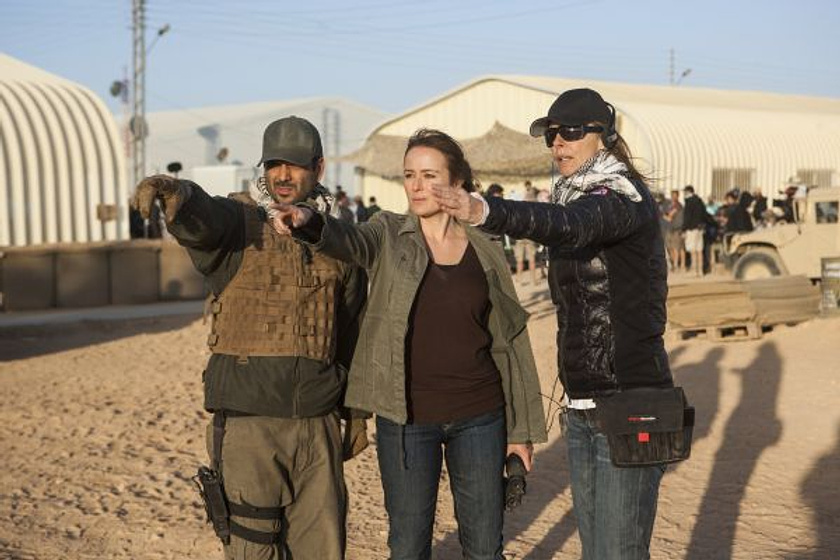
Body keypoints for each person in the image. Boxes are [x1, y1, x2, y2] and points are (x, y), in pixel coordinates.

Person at [271, 128, 547, 560]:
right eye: (409, 174)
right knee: (408, 546)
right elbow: (350, 239)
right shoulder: (387, 232)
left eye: (429, 174)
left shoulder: (486, 248)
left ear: (457, 183)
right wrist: (311, 222)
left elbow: (508, 343)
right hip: (406, 419)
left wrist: (520, 432)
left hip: (481, 416)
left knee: (484, 547)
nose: (416, 185)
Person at [431, 88, 675, 560]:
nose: (558, 143)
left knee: (619, 553)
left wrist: (487, 211)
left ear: (603, 137)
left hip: (627, 401)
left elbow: (571, 225)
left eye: (571, 133)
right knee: (596, 552)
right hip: (583, 405)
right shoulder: (577, 193)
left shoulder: (618, 198)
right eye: (551, 134)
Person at [132, 116, 367, 560]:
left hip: (316, 423)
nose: (282, 175)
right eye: (273, 164)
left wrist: (355, 412)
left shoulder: (338, 238)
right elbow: (203, 222)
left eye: (294, 165)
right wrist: (178, 194)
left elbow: (351, 328)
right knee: (252, 551)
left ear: (318, 167)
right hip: (248, 424)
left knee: (323, 549)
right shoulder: (238, 223)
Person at [681, 185, 713, 277]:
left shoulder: (689, 202)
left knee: (692, 250)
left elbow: (687, 217)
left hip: (691, 229)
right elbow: (705, 214)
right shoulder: (700, 201)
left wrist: (684, 229)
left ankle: (694, 271)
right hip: (700, 229)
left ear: (688, 192)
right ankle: (700, 271)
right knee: (699, 250)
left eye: (685, 192)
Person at [513, 185, 539, 285]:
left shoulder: (520, 208)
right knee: (531, 260)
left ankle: (519, 280)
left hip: (519, 237)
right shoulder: (535, 209)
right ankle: (533, 280)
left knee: (520, 261)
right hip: (529, 237)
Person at [664, 189, 685, 272]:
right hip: (670, 228)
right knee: (670, 247)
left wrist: (663, 216)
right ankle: (675, 264)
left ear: (678, 196)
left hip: (677, 229)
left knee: (677, 248)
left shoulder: (678, 205)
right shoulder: (670, 205)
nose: (673, 197)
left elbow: (670, 216)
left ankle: (677, 265)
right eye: (672, 195)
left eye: (675, 195)